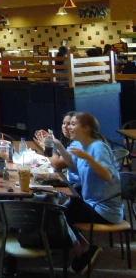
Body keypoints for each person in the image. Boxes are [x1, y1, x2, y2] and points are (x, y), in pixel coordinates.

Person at [47, 112, 122, 274]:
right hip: (91, 203)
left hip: (104, 209)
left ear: (86, 128)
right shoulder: (82, 145)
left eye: (73, 124)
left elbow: (108, 176)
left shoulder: (98, 147)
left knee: (58, 208)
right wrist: (57, 145)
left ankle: (82, 250)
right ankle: (83, 248)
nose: (68, 127)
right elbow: (71, 165)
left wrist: (87, 158)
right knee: (55, 203)